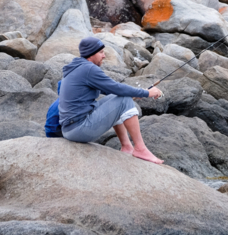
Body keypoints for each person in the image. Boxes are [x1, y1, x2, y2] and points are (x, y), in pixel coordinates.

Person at [58, 36, 164, 164]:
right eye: (101, 52)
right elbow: (116, 87)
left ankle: (127, 146)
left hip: (70, 128)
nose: (104, 56)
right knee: (123, 99)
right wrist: (147, 93)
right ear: (91, 54)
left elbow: (112, 91)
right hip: (78, 129)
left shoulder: (78, 67)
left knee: (117, 98)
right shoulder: (88, 69)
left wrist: (136, 94)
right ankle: (140, 148)